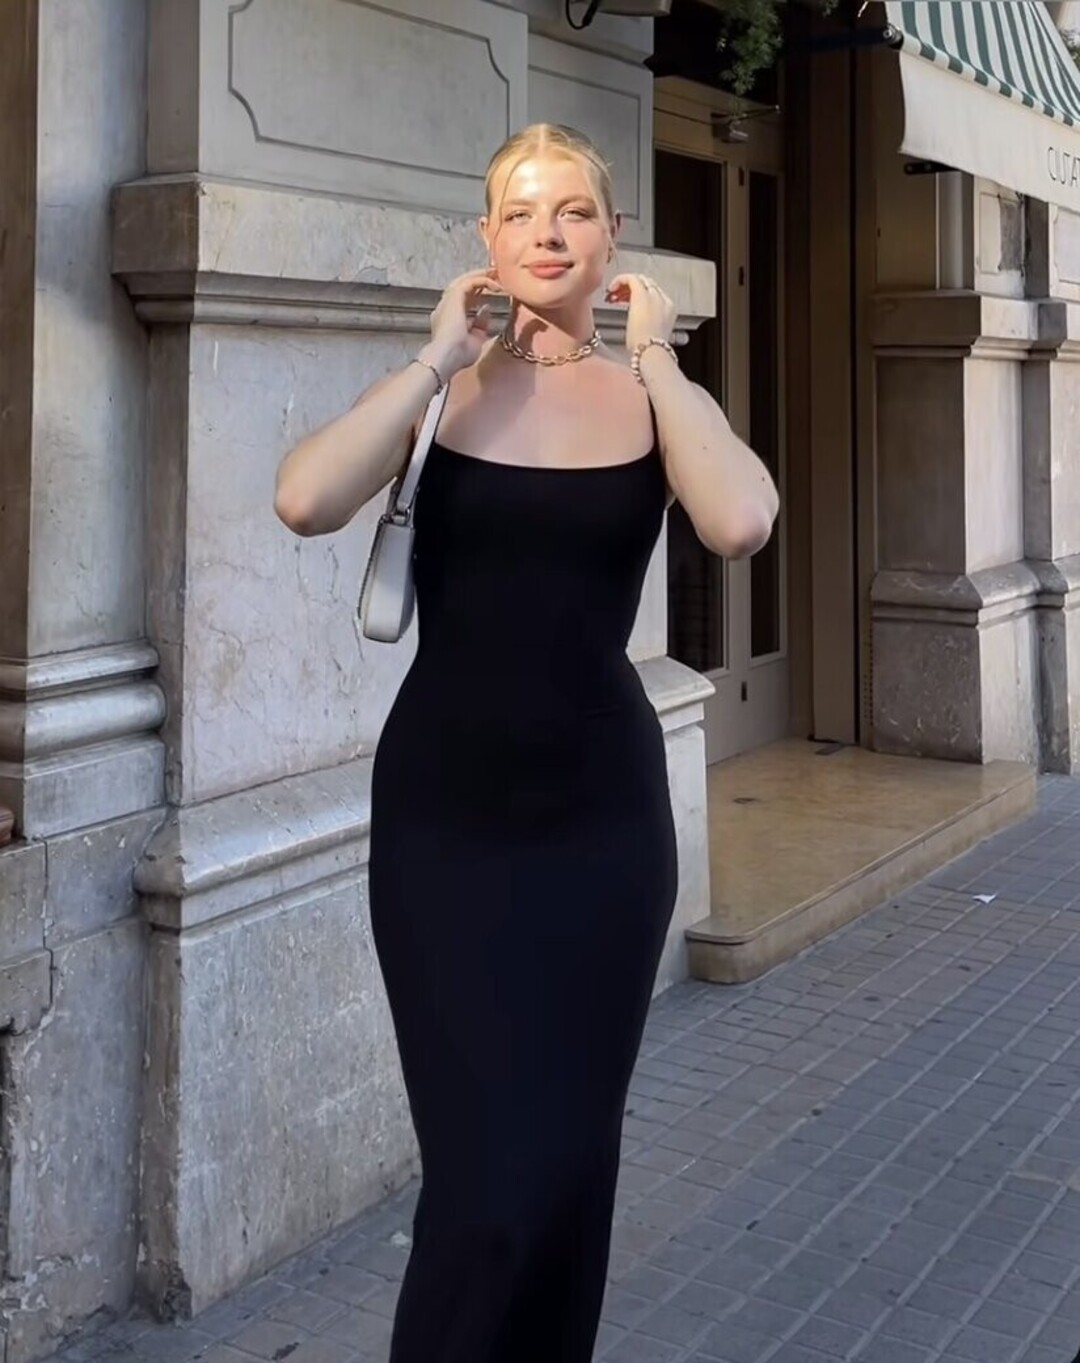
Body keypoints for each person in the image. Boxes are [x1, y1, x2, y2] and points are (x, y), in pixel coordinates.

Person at [274, 122, 778, 1363]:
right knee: (483, 1186)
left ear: (612, 237)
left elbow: (739, 520)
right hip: (445, 829)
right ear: (486, 240)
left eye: (572, 212)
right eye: (519, 212)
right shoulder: (443, 391)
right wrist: (434, 354)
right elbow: (304, 497)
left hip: (601, 832)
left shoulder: (652, 397)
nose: (546, 233)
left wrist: (656, 356)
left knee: (564, 1172)